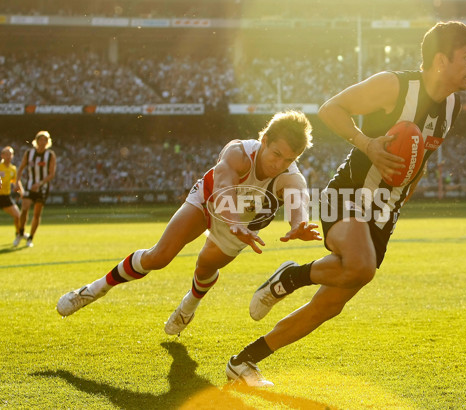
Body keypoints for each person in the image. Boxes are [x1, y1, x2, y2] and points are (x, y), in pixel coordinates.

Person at [226, 21, 466, 387]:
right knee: (361, 268)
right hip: (346, 196)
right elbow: (331, 109)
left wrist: (405, 193)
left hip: (384, 212)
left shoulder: (453, 103)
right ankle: (290, 276)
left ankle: (244, 362)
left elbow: (420, 155)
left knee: (328, 306)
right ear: (441, 59)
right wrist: (368, 144)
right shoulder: (395, 85)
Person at [55, 111, 321, 350]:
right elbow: (221, 189)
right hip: (209, 201)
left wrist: (298, 226)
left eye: (290, 159)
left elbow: (299, 202)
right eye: (276, 154)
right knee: (159, 257)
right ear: (264, 140)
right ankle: (93, 290)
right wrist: (233, 222)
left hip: (244, 224)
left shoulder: (291, 176)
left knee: (205, 268)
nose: (279, 164)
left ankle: (188, 307)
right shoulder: (238, 153)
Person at [14, 131, 57, 247]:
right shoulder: (29, 153)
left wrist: (40, 183)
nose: (42, 142)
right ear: (36, 141)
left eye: (45, 140)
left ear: (48, 142)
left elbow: (52, 174)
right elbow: (21, 168)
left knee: (37, 214)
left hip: (42, 188)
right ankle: (20, 233)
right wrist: (17, 182)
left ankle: (31, 238)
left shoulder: (50, 155)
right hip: (29, 186)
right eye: (40, 140)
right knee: (24, 209)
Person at [1, 146, 24, 241]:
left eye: (10, 154)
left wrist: (21, 192)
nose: (9, 156)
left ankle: (19, 234)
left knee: (17, 215)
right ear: (2, 155)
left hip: (5, 196)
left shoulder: (13, 169)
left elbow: (16, 182)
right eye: (7, 154)